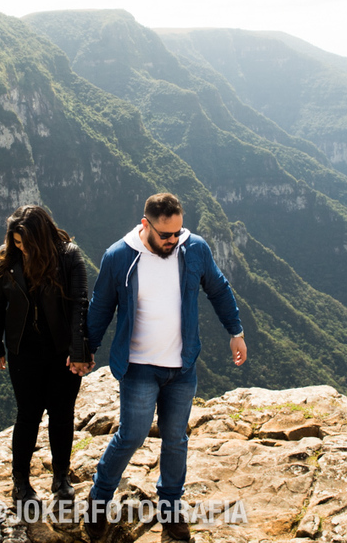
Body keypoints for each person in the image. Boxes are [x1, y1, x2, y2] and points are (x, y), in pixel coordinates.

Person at [84, 193, 247, 542]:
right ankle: (98, 501)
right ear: (146, 225)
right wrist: (86, 350)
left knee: (175, 439)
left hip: (182, 367)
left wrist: (236, 331)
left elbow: (218, 289)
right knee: (132, 435)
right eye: (166, 234)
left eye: (178, 232)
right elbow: (101, 307)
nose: (174, 240)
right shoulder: (119, 256)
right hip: (139, 366)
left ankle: (170, 508)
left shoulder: (194, 249)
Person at [0, 205, 94, 505]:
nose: (21, 248)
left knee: (62, 414)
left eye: (26, 243)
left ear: (42, 237)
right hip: (23, 350)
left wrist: (79, 351)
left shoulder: (68, 256)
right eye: (16, 242)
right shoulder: (7, 259)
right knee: (28, 415)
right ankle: (20, 482)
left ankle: (61, 478)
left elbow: (79, 304)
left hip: (61, 350)